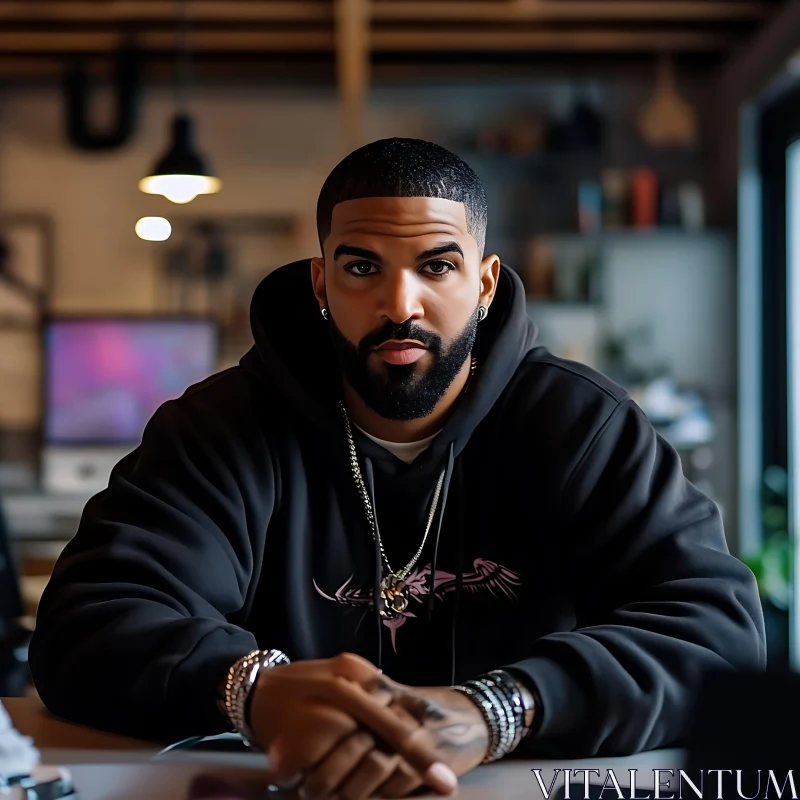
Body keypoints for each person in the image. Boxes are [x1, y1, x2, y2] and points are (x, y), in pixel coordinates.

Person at [30, 138, 765, 799]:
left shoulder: (581, 425)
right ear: (321, 285)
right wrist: (251, 690)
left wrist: (505, 707)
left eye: (437, 265)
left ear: (483, 282)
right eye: (361, 268)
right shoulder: (218, 430)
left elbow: (715, 630)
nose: (398, 304)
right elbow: (86, 623)